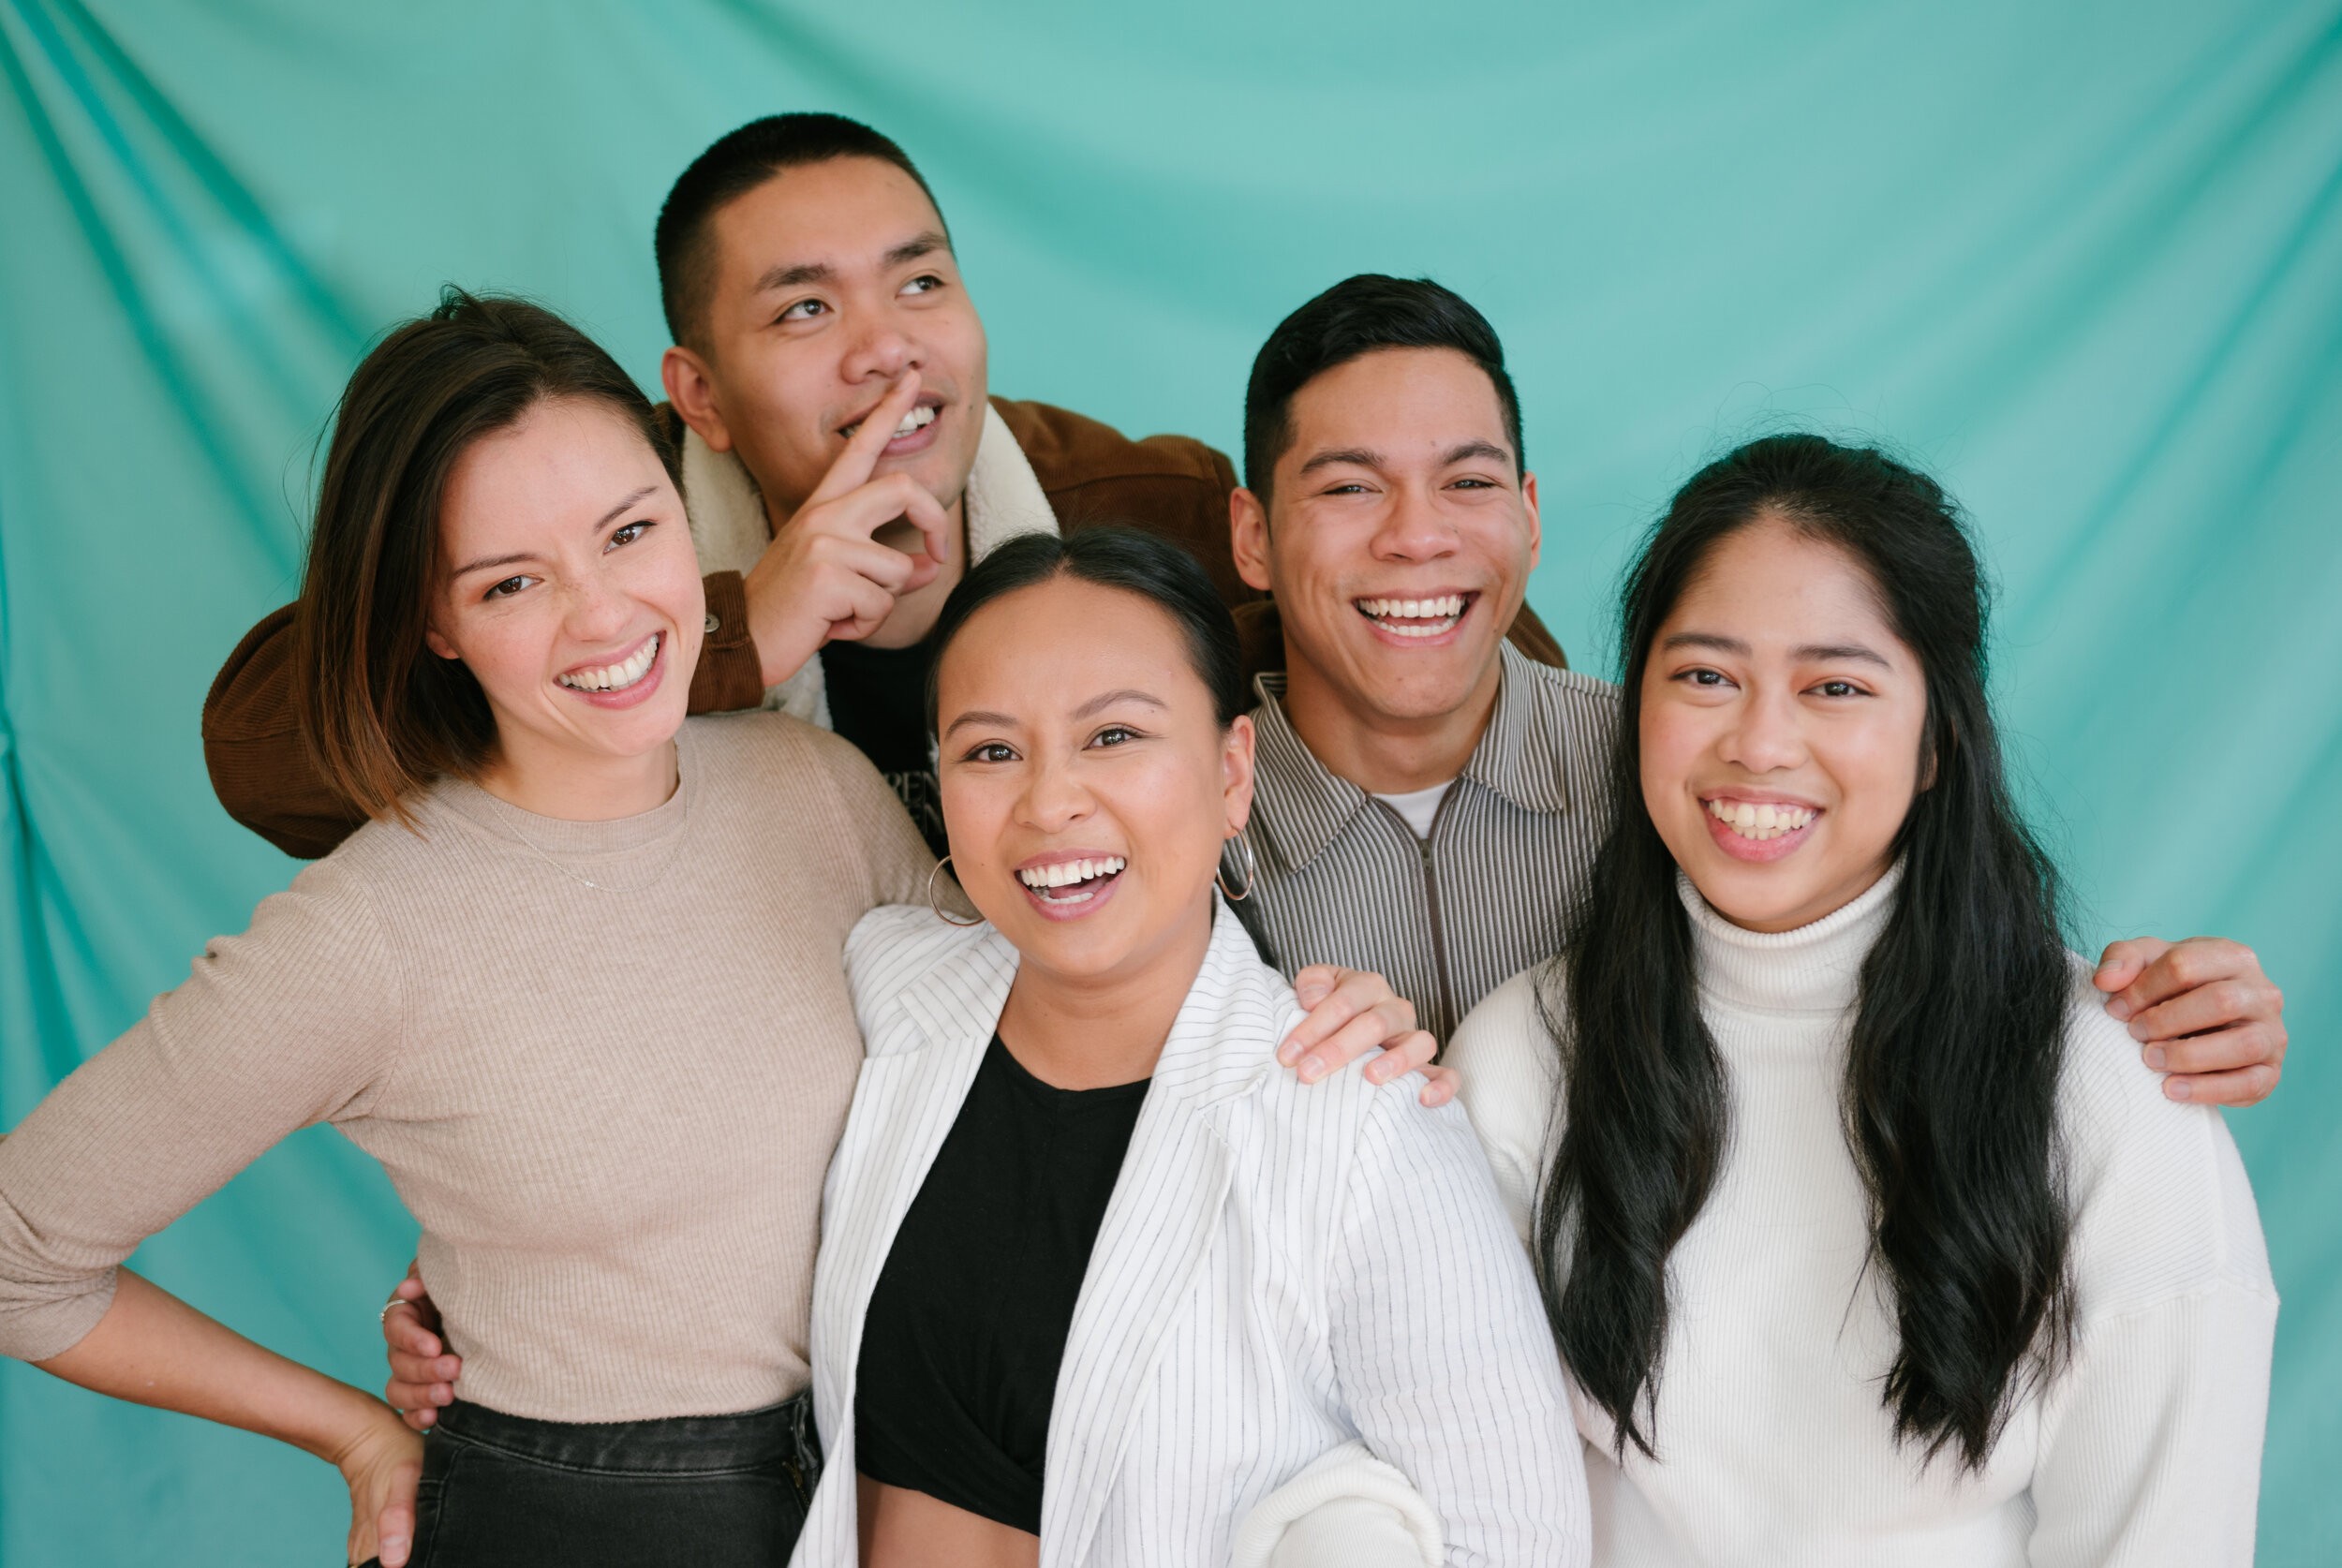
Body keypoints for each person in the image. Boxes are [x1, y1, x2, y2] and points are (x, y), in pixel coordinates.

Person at [0, 293, 1430, 1568]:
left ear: (688, 515)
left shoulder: (807, 787)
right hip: (586, 1516)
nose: (603, 612)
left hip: (892, 1475)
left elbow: (1048, 1032)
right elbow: (21, 1252)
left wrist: (1303, 1025)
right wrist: (354, 1433)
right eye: (511, 580)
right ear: (435, 623)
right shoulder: (371, 926)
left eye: (630, 531)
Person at [197, 113, 1571, 860]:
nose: (888, 346)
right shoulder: (611, 512)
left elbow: (1464, 645)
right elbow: (265, 754)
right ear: (700, 395)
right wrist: (735, 630)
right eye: (804, 311)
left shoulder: (1142, 501)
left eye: (922, 281)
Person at [1445, 434, 2276, 1563]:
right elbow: (1476, 1506)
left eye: (1834, 685)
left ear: (1938, 740)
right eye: (1703, 676)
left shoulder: (2108, 1085)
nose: (1760, 742)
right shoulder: (1518, 1060)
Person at [1223, 274, 2290, 1085]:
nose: (1418, 538)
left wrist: (2162, 1016)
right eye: (1351, 488)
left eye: (1467, 481)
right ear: (1253, 537)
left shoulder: (1695, 770)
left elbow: (1932, 954)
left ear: (1532, 516)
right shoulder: (1175, 832)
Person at [798, 527, 1589, 1567]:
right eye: (990, 750)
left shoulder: (1361, 1124)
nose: (1048, 802)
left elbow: (1518, 1546)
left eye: (1114, 736)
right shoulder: (887, 986)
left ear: (1231, 770)